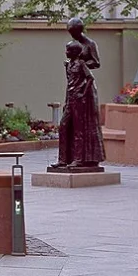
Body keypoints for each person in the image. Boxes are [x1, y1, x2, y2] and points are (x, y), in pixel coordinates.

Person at [53, 18, 105, 172]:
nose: (72, 35)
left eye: (73, 32)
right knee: (66, 125)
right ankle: (66, 159)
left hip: (85, 92)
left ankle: (86, 158)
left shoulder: (90, 44)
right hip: (72, 90)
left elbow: (96, 63)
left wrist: (80, 64)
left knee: (83, 125)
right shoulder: (73, 48)